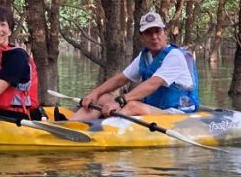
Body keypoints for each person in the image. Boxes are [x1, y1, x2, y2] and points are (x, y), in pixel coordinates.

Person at [70, 11, 199, 121]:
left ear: (165, 32)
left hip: (177, 113)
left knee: (133, 106)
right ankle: (70, 126)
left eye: (157, 31)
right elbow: (121, 79)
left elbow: (153, 83)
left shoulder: (174, 56)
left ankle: (107, 131)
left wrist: (120, 101)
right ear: (142, 37)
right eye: (149, 33)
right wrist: (94, 94)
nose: (154, 37)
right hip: (156, 109)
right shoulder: (145, 56)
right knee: (104, 97)